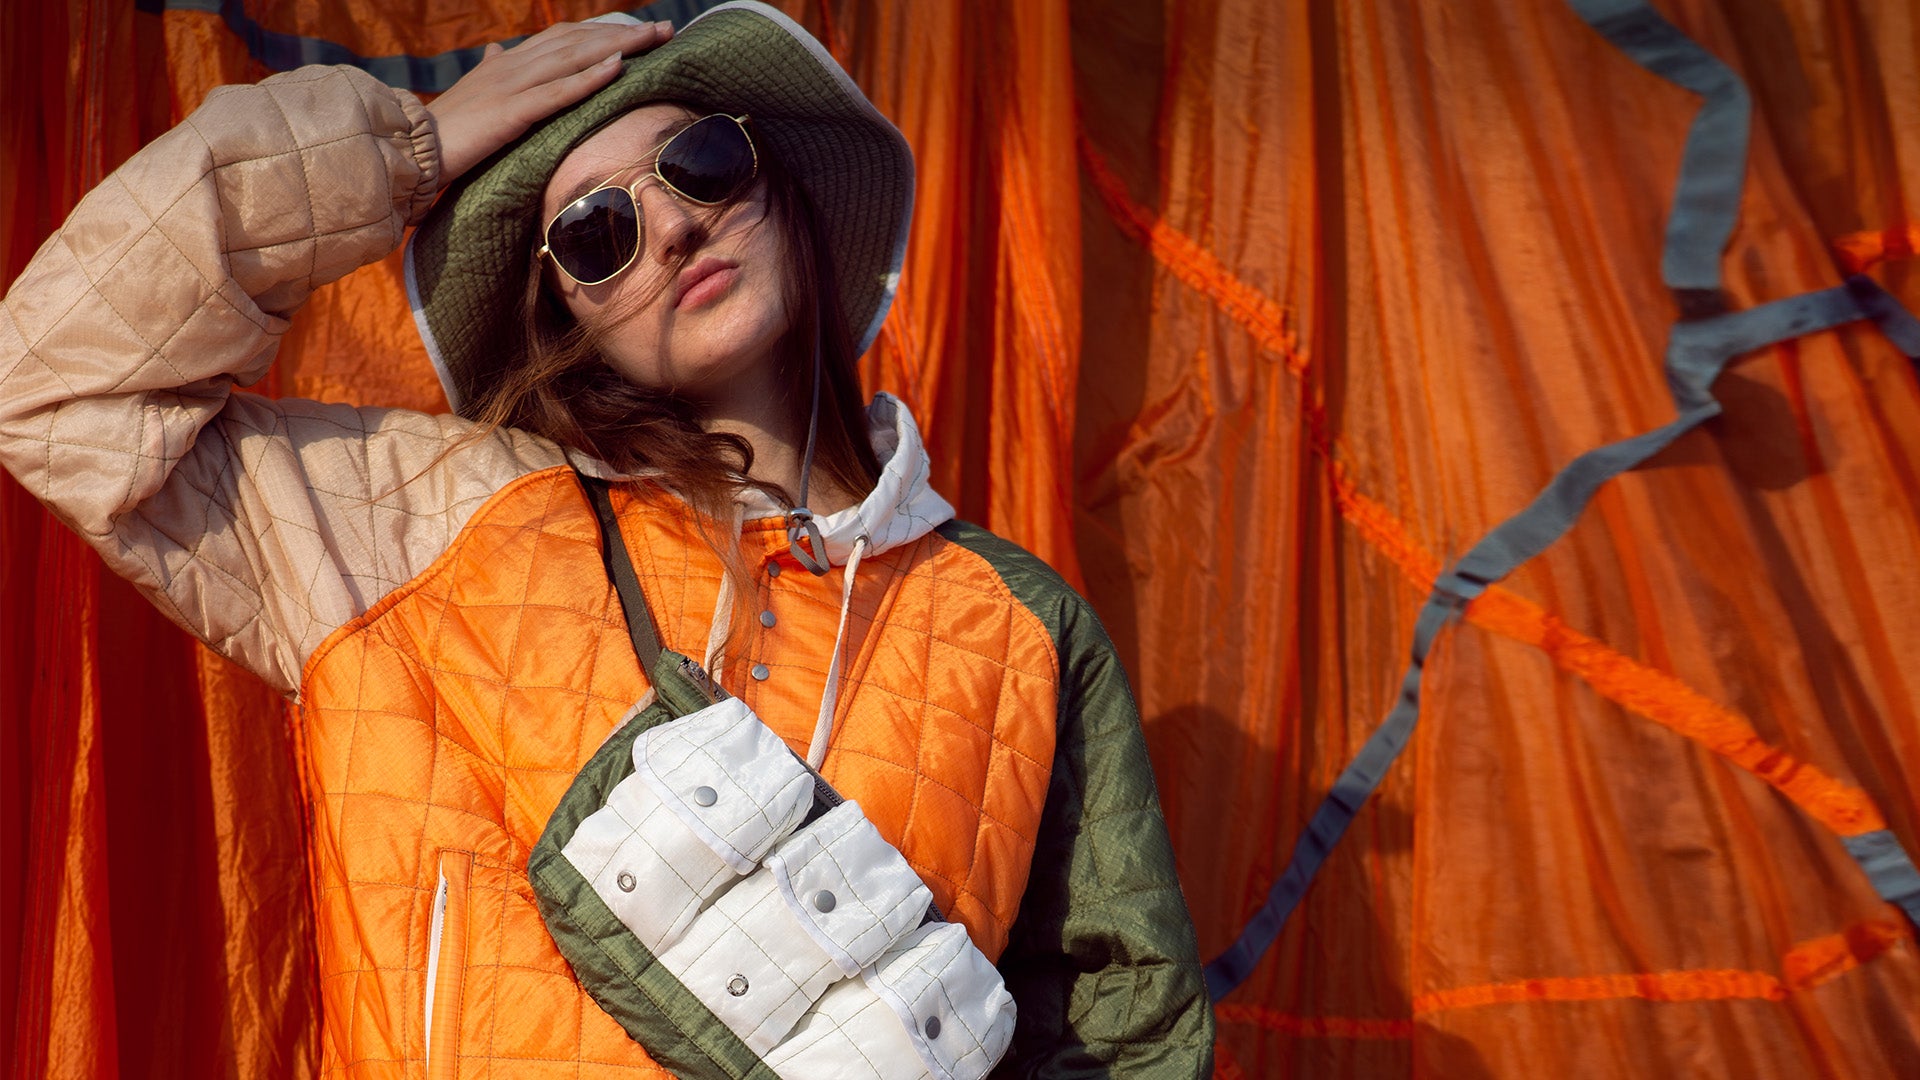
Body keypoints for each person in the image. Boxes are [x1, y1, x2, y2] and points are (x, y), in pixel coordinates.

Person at [0, 3, 1212, 1076]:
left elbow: (1123, 1036)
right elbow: (56, 388)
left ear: (777, 180)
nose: (674, 229)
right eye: (595, 234)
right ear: (560, 318)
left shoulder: (1016, 623)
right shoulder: (414, 523)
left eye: (698, 163)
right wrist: (406, 151)